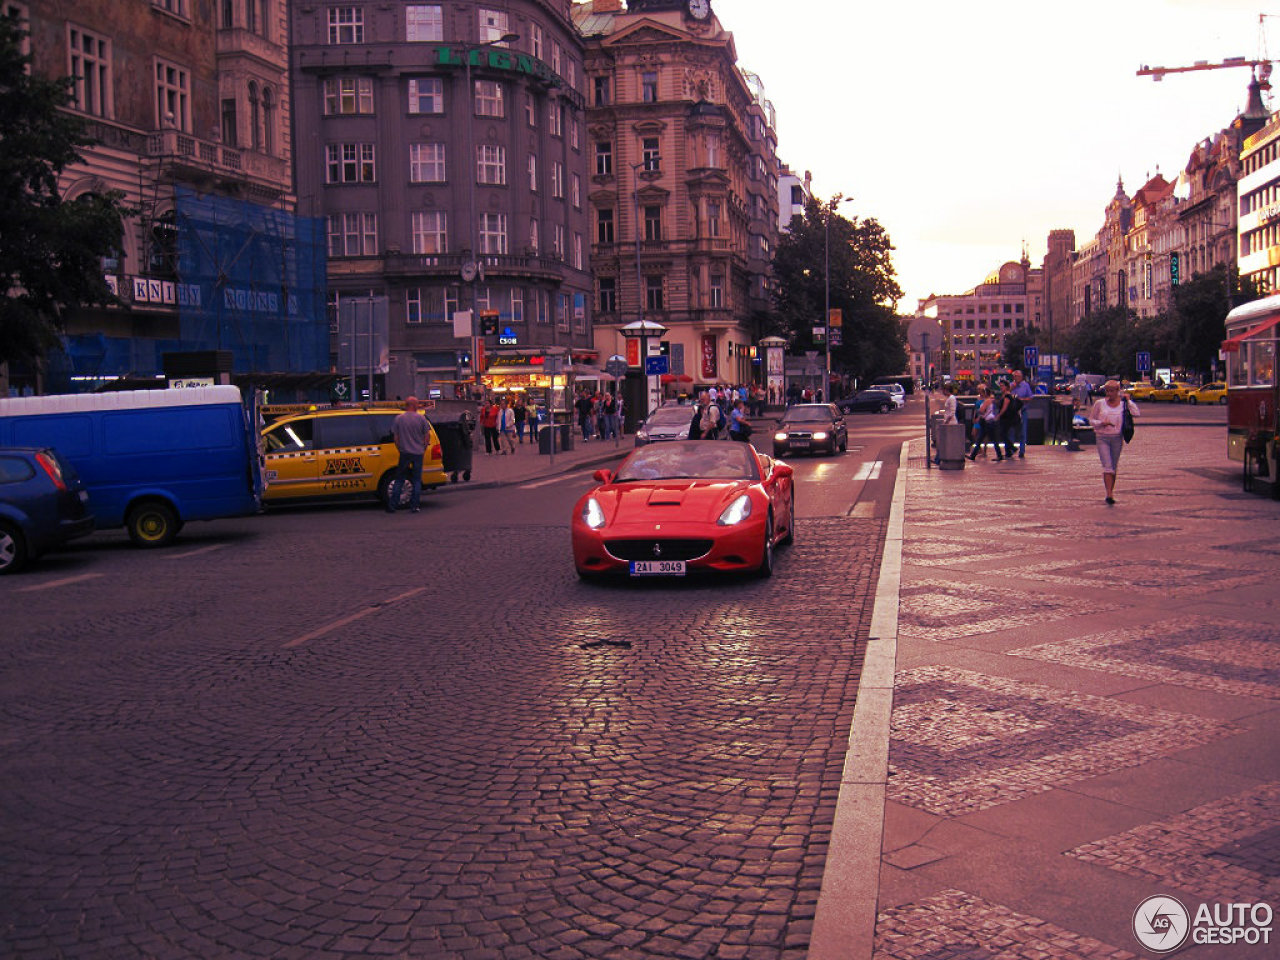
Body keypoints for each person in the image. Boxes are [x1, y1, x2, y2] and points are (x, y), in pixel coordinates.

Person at [1087, 380, 1139, 504]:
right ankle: (1109, 494)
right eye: (1107, 390)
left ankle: (1111, 490)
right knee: (1108, 467)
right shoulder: (1100, 404)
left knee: (1113, 467)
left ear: (1118, 391)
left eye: (1112, 391)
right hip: (1102, 437)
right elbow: (1091, 419)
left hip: (1117, 438)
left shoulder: (1123, 404)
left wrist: (1128, 401)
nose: (1109, 393)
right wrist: (1101, 423)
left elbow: (1137, 413)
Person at [387, 397, 429, 513]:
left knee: (400, 479)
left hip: (405, 453)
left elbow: (396, 437)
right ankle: (414, 506)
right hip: (418, 453)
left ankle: (393, 505)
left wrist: (400, 449)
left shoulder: (399, 419)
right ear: (414, 405)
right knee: (416, 480)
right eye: (417, 404)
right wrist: (423, 448)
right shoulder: (421, 419)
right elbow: (426, 436)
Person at [967, 385, 1002, 461]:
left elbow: (981, 410)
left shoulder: (987, 401)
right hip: (988, 421)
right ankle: (973, 455)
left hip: (988, 422)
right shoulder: (991, 400)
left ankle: (999, 455)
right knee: (982, 438)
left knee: (988, 439)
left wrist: (978, 413)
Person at [1010, 369, 1034, 458]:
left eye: (1018, 376)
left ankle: (1022, 450)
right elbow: (1005, 394)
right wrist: (1012, 387)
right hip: (1012, 412)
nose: (1016, 378)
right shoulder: (1011, 385)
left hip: (1022, 410)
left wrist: (1022, 399)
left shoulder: (1025, 385)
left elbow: (1030, 397)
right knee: (1011, 431)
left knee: (1023, 431)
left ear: (1021, 377)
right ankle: (1011, 449)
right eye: (1015, 376)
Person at [996, 379, 1022, 460]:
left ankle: (1012, 448)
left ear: (1007, 387)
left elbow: (1004, 407)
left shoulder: (1007, 396)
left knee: (1002, 433)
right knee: (1004, 434)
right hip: (1006, 418)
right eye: (1000, 386)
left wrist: (999, 415)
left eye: (1002, 386)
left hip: (1007, 418)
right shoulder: (1004, 395)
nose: (1001, 387)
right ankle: (1008, 452)